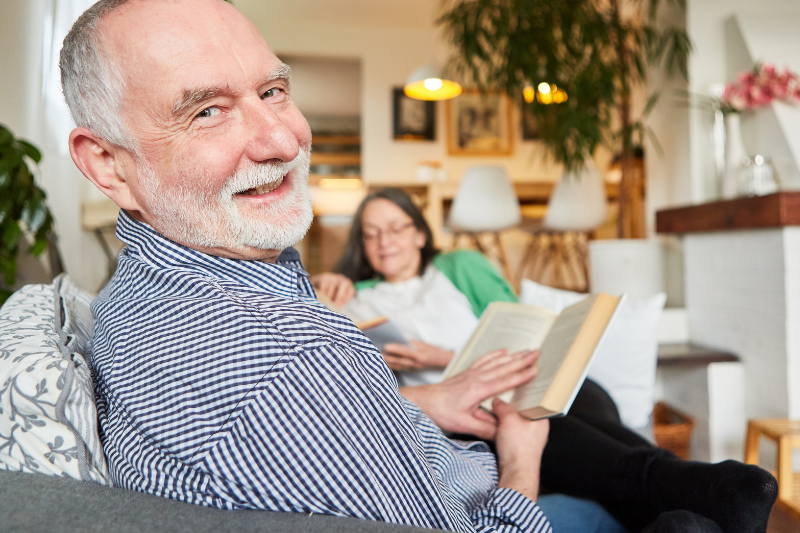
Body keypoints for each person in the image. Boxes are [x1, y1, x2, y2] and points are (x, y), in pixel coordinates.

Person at [58, 1, 599, 532]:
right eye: (207, 112)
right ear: (108, 164)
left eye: (273, 91)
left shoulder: (136, 292)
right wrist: (521, 459)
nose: (284, 141)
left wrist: (416, 402)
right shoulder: (292, 357)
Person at [311, 188, 779, 533]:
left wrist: (444, 357)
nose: (384, 242)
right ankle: (704, 496)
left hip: (536, 379)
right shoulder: (355, 297)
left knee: (565, 412)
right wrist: (325, 292)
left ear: (419, 233)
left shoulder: (458, 267)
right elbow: (342, 378)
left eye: (396, 228)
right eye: (371, 234)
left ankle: (697, 494)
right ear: (361, 244)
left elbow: (525, 329)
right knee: (538, 425)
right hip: (474, 415)